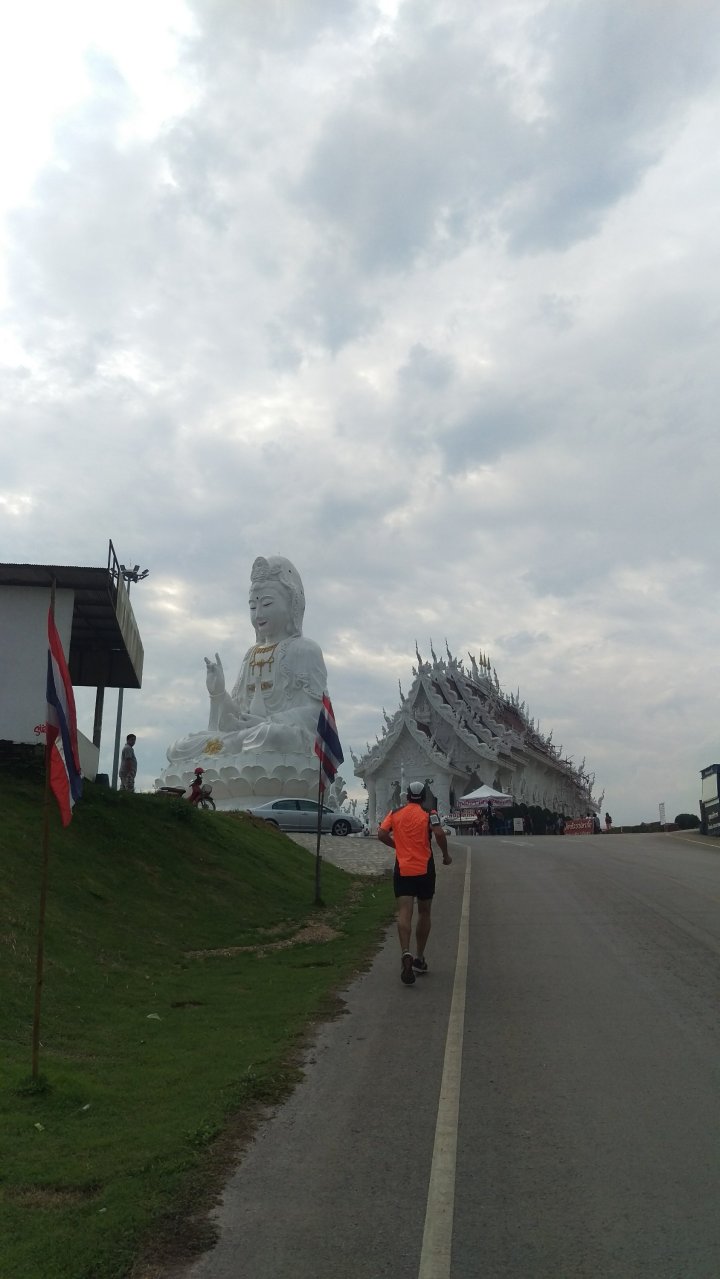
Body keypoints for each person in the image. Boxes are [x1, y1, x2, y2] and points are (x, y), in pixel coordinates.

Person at [166, 556, 327, 765]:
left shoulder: (304, 649)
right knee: (180, 747)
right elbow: (237, 716)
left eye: (267, 604)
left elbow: (317, 715)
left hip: (277, 737)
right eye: (252, 607)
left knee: (271, 736)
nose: (258, 614)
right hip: (244, 738)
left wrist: (267, 722)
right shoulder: (250, 654)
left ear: (292, 605)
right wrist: (218, 693)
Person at [377, 781, 452, 985]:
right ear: (424, 796)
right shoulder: (429, 813)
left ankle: (405, 952)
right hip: (425, 869)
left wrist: (397, 845)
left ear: (407, 796)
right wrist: (446, 855)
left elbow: (381, 833)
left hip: (403, 868)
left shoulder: (395, 813)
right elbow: (439, 833)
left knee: (404, 912)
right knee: (424, 912)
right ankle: (419, 957)